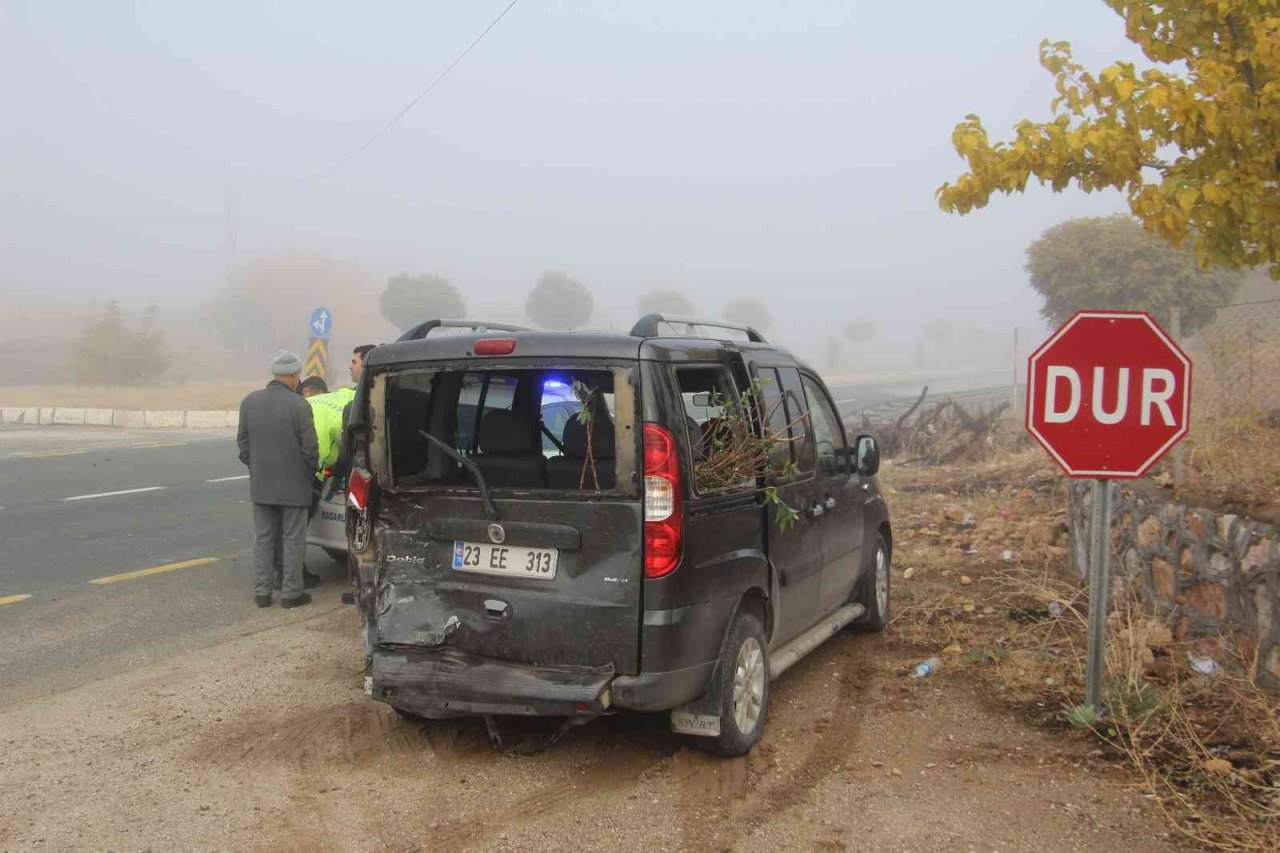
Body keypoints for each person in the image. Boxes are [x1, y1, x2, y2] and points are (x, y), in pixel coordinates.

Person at [237, 350, 319, 609]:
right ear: (294, 376)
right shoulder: (299, 405)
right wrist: (307, 474)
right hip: (294, 485)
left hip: (261, 485)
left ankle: (262, 593)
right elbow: (311, 449)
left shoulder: (249, 402)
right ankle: (291, 593)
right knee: (293, 538)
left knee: (263, 538)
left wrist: (258, 468)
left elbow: (243, 444)